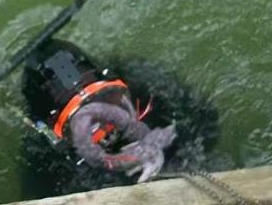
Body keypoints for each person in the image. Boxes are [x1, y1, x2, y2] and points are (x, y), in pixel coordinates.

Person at [23, 38, 176, 183]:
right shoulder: (46, 163)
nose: (107, 123)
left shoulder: (148, 87)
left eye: (105, 98)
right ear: (54, 134)